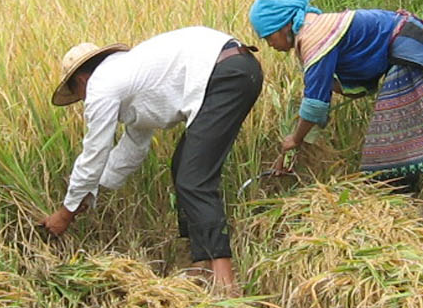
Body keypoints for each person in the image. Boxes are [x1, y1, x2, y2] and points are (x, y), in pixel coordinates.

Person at [41, 26, 263, 291]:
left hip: (224, 74)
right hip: (239, 68)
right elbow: (132, 150)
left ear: (81, 82)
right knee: (183, 166)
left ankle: (225, 283)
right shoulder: (128, 76)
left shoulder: (101, 86)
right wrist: (89, 194)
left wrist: (67, 212)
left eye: (79, 96)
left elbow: (94, 154)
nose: (84, 102)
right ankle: (202, 267)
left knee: (194, 180)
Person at [247, 0, 423, 204]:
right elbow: (338, 89)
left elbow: (315, 107)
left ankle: (403, 208)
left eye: (268, 36)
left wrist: (294, 140)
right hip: (415, 45)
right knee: (411, 135)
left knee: (392, 147)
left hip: (412, 51)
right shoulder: (314, 30)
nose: (269, 44)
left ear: (282, 26)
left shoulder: (313, 36)